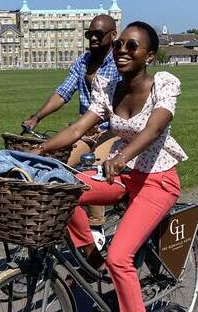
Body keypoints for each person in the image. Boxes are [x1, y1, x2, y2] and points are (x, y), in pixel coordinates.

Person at [33, 21, 187, 312]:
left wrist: (121, 155)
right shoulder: (108, 86)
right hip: (121, 177)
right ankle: (91, 256)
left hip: (156, 180)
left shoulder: (163, 84)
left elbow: (155, 127)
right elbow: (77, 129)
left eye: (132, 47)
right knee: (63, 186)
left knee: (120, 255)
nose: (122, 51)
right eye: (120, 45)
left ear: (149, 55)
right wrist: (40, 150)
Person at [22, 14, 121, 232]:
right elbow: (62, 93)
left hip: (112, 131)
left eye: (98, 34)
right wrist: (37, 117)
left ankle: (96, 230)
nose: (93, 38)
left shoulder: (120, 62)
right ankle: (65, 220)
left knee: (93, 171)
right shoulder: (83, 62)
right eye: (89, 34)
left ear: (113, 35)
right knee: (59, 163)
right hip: (85, 130)